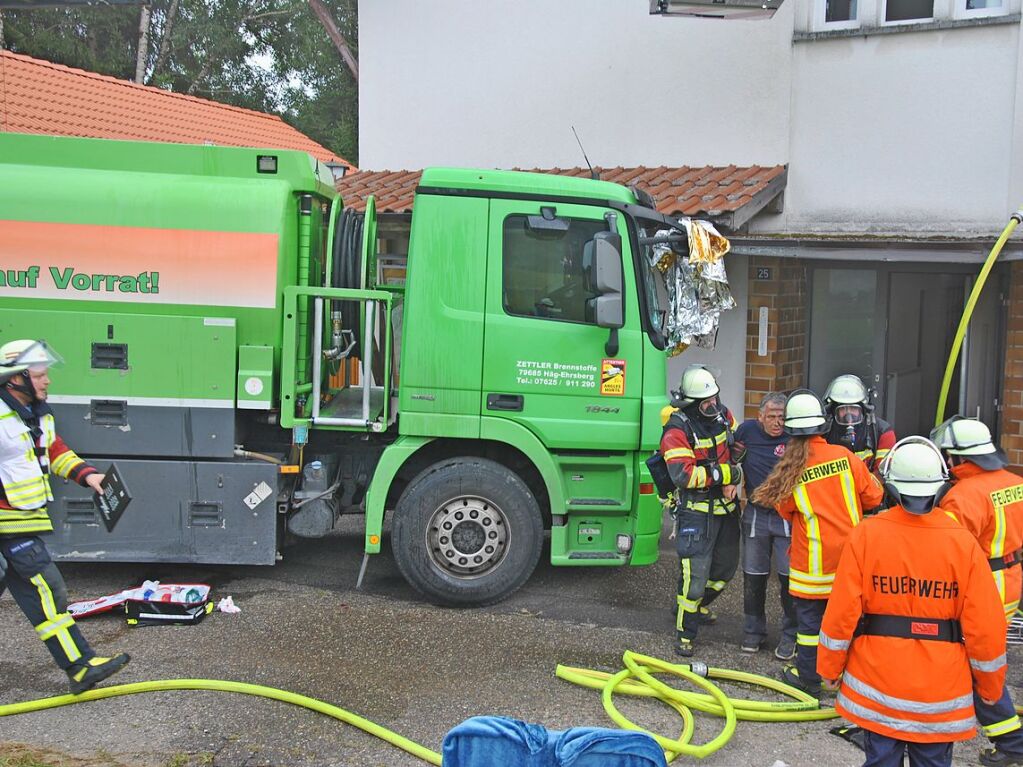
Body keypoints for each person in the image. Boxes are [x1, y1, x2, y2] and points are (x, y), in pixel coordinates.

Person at [818, 437, 1008, 767]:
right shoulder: (962, 543)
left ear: (890, 484)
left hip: (876, 683)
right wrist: (990, 688)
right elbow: (986, 630)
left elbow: (841, 613)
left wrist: (829, 668)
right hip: (940, 690)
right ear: (940, 485)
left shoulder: (866, 535)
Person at [0, 339, 129, 694]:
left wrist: (88, 475)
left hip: (19, 525)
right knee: (47, 593)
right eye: (40, 375)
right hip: (8, 527)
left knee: (48, 594)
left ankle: (80, 667)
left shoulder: (37, 415)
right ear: (16, 379)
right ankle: (80, 666)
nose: (47, 381)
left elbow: (52, 451)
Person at [751, 389, 883, 695]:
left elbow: (785, 510)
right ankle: (852, 680)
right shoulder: (846, 457)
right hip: (850, 563)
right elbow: (874, 496)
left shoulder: (791, 470)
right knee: (850, 623)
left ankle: (810, 680)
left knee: (810, 627)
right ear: (823, 426)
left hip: (811, 567)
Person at [931, 416, 1023, 767]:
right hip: (1010, 580)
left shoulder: (964, 496)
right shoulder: (1014, 482)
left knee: (979, 665)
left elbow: (947, 552)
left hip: (981, 588)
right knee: (985, 660)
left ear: (957, 458)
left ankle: (1012, 742)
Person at [659, 364, 741, 657]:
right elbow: (683, 475)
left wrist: (738, 461)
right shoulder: (676, 431)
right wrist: (729, 476)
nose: (713, 406)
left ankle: (696, 606)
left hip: (726, 509)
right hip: (696, 512)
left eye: (714, 399)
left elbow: (733, 446)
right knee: (695, 577)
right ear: (691, 404)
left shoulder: (722, 414)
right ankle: (686, 632)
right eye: (706, 403)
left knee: (725, 570)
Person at [732, 392, 797, 659]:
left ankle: (791, 636)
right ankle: (753, 632)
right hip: (756, 513)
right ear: (760, 417)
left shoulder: (796, 436)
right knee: (753, 576)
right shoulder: (746, 431)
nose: (777, 422)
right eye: (771, 417)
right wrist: (729, 480)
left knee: (789, 579)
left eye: (781, 417)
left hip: (787, 515)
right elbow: (729, 459)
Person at [823, 374, 896, 474]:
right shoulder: (823, 432)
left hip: (869, 488)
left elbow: (881, 475)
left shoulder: (882, 433)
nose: (849, 415)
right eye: (843, 409)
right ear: (833, 411)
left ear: (864, 409)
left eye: (853, 409)